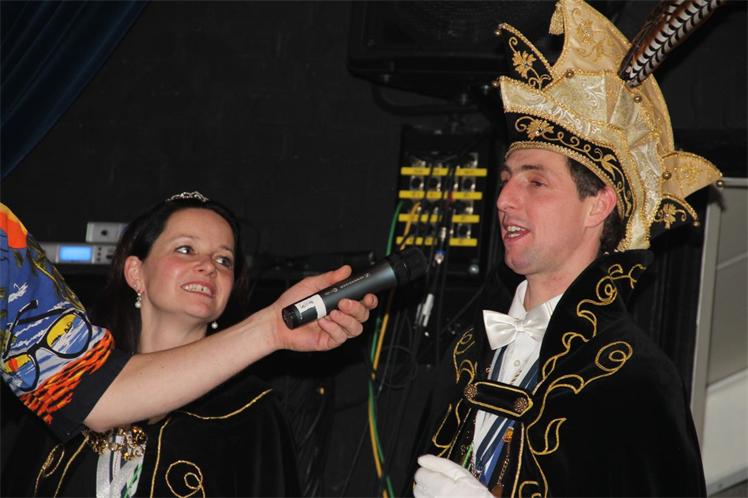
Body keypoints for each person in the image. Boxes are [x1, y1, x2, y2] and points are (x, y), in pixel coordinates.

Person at [411, 0, 721, 496]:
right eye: (507, 180)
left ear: (598, 205)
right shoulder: (468, 352)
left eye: (536, 183)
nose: (505, 200)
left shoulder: (635, 379)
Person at [1, 192, 377, 496]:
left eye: (224, 260)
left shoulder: (249, 409)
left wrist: (272, 328)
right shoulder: (59, 384)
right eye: (185, 250)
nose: (209, 266)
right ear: (135, 272)